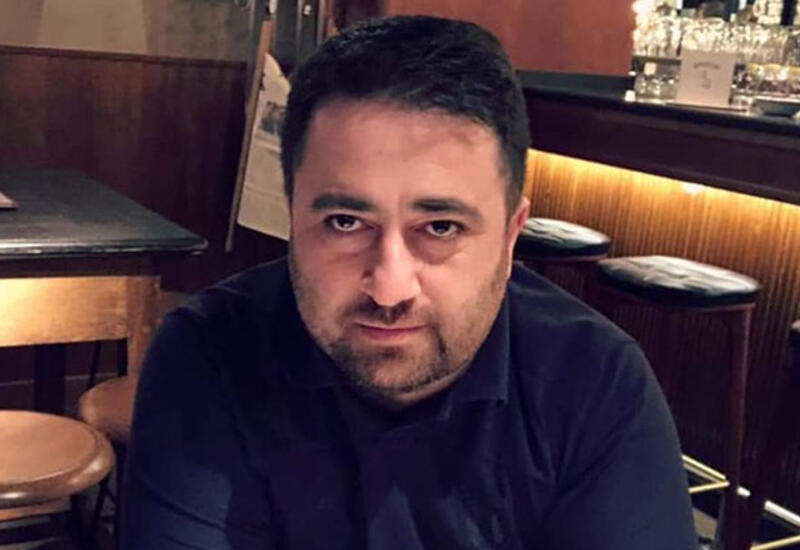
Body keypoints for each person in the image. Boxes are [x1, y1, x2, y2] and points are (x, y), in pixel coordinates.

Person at [122, 15, 698, 550]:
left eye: (440, 227)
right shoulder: (209, 356)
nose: (389, 288)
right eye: (345, 223)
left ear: (510, 236)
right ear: (291, 217)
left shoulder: (594, 383)